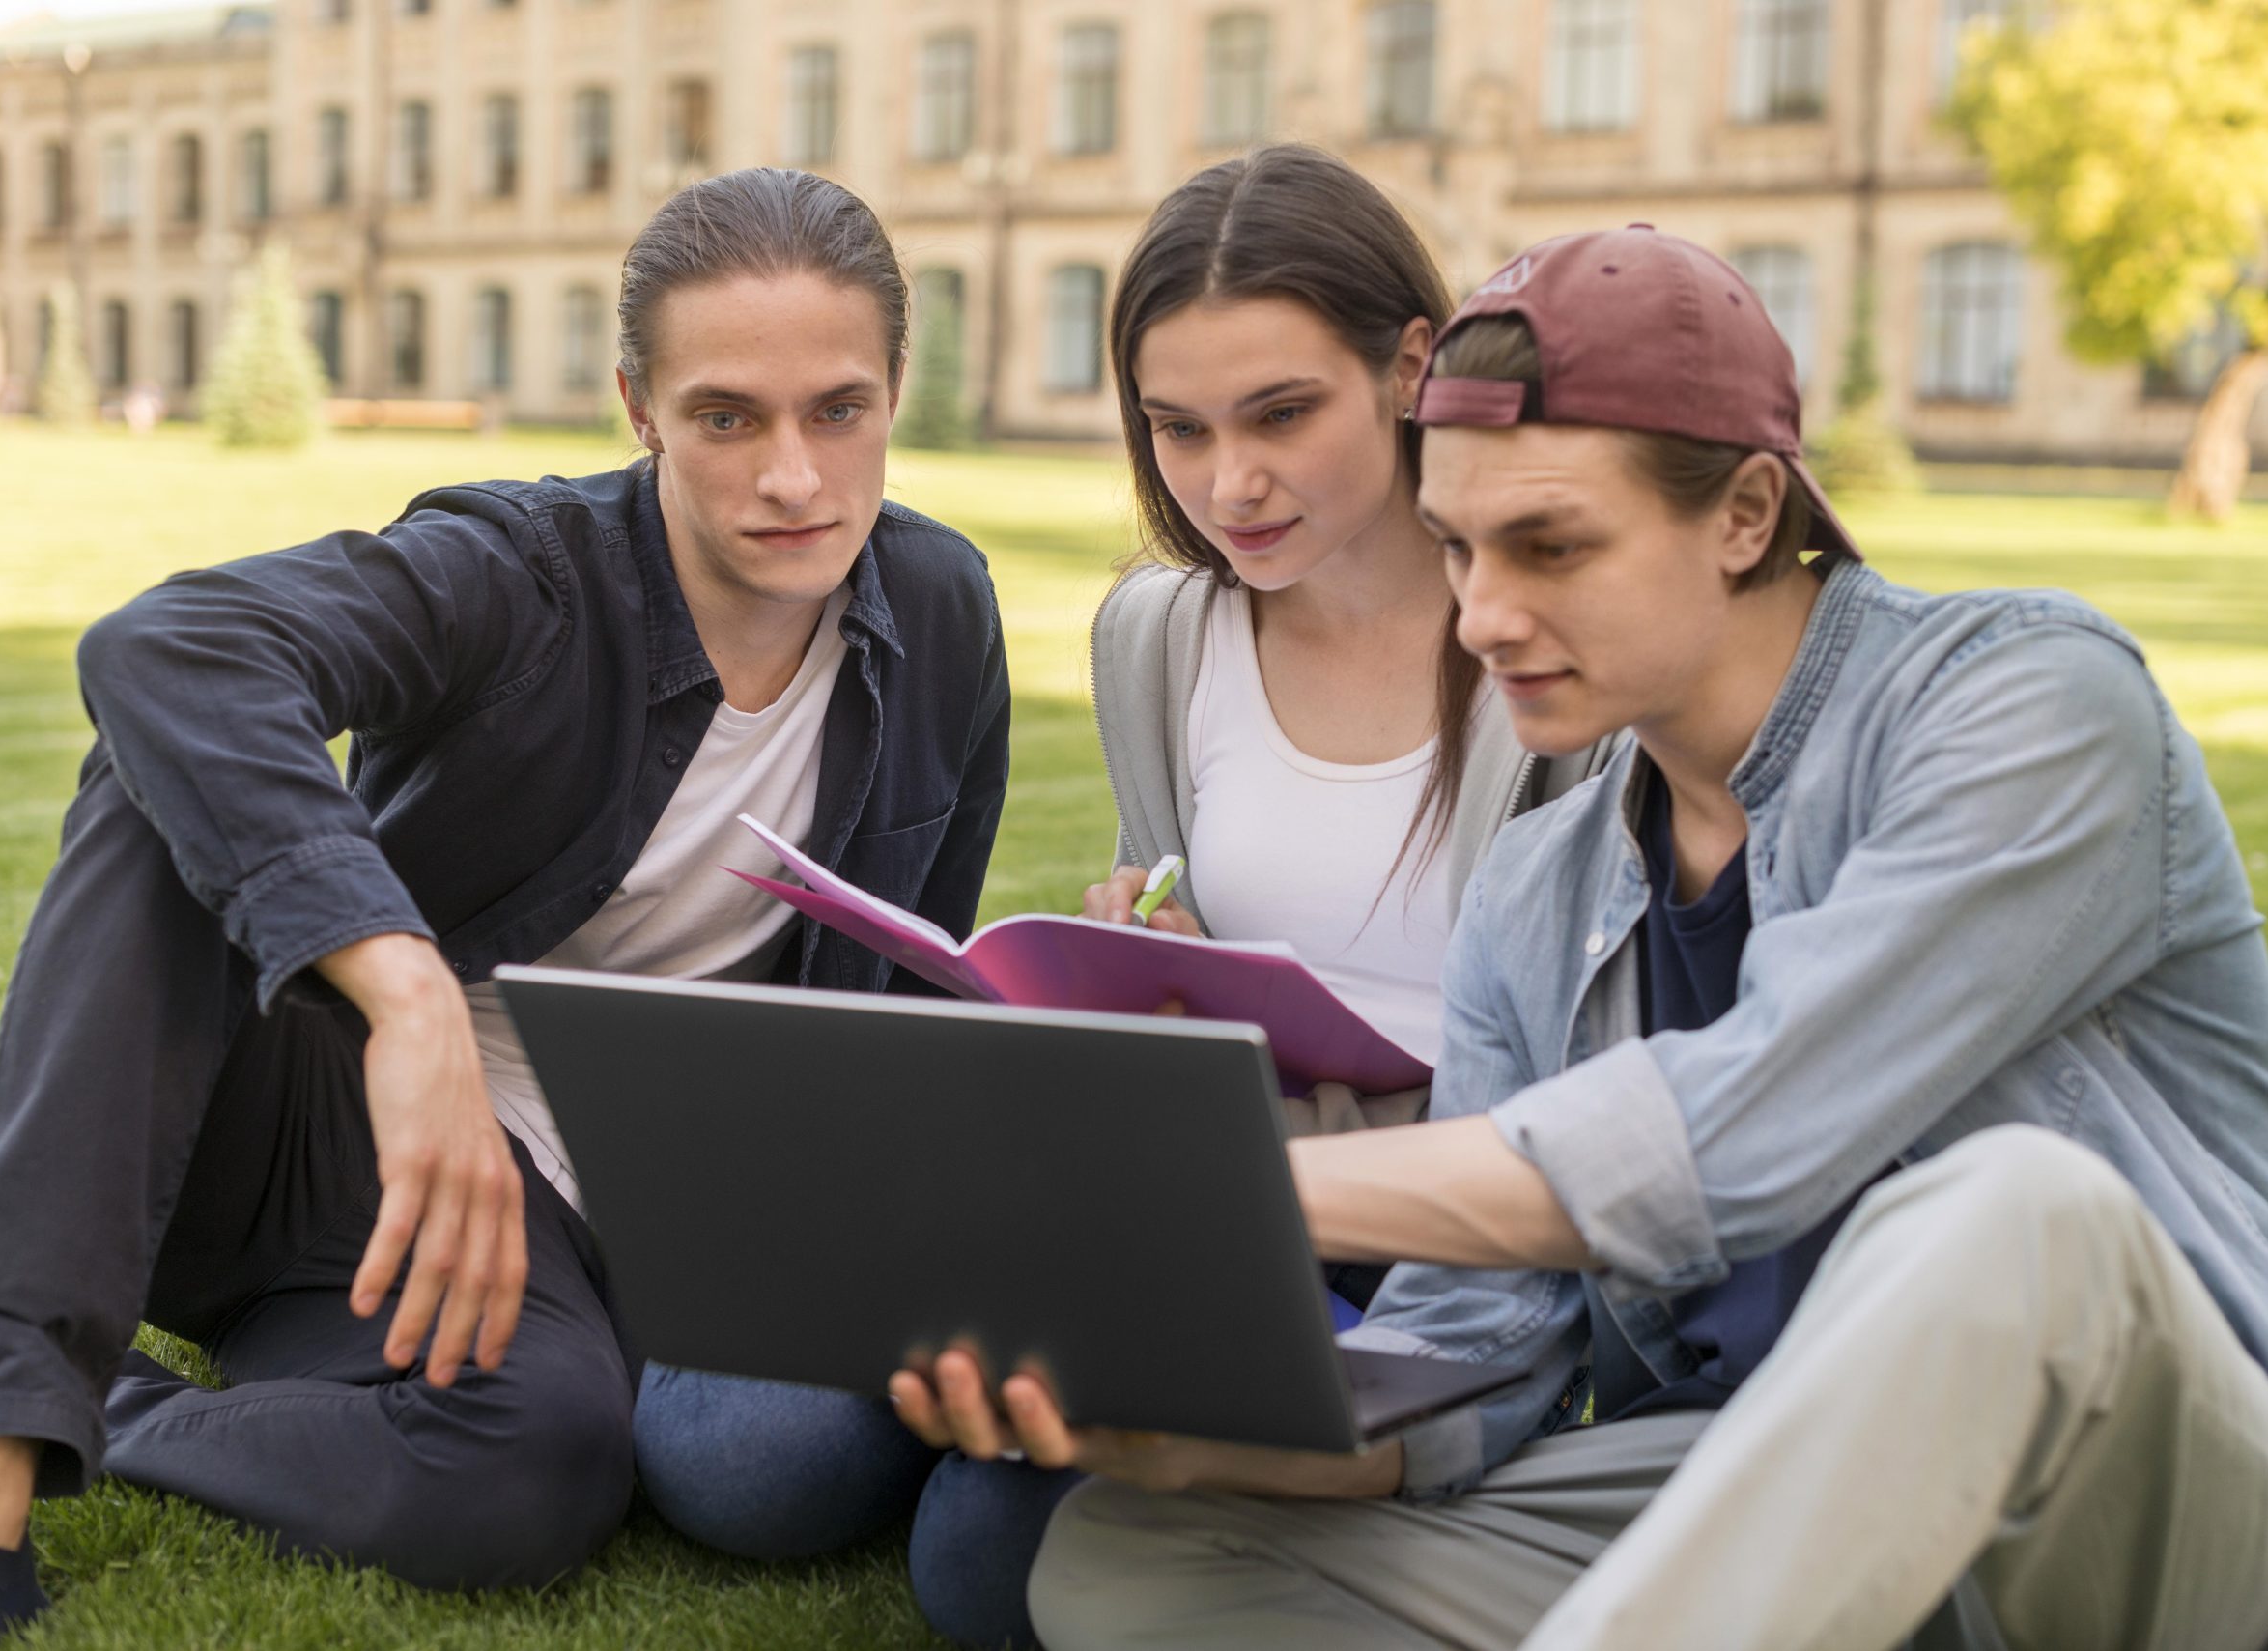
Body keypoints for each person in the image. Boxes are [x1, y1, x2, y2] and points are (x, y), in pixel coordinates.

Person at [901, 227, 2268, 1651]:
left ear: (1746, 511)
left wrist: (1222, 1186)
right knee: (1130, 1553)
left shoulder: (2029, 705)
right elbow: (1466, 1372)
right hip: (1760, 1497)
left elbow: (1738, 1132)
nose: (1483, 615)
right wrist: (1175, 1426)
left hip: (2143, 1519)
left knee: (2016, 1215)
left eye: (1549, 545)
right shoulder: (1541, 885)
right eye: (1460, 548)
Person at [0, 166, 1011, 1651]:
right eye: (727, 416)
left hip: (588, 1219)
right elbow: (170, 648)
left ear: (894, 390)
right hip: (311, 1126)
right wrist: (408, 993)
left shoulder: (942, 612)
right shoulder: (525, 572)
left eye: (839, 409)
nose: (794, 478)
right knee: (163, 768)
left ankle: (104, 1403)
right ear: (640, 407)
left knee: (545, 1470)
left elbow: (906, 986)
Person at [632, 144, 1606, 1651]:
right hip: (1161, 1176)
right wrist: (1150, 958)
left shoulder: (1552, 645)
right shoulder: (1162, 633)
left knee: (984, 1569)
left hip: (1400, 1233)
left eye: (1283, 413)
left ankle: (1034, 1427)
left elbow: (1577, 1092)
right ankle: (1006, 1389)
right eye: (1179, 428)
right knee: (732, 1455)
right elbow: (1181, 928)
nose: (1230, 482)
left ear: (1412, 366)